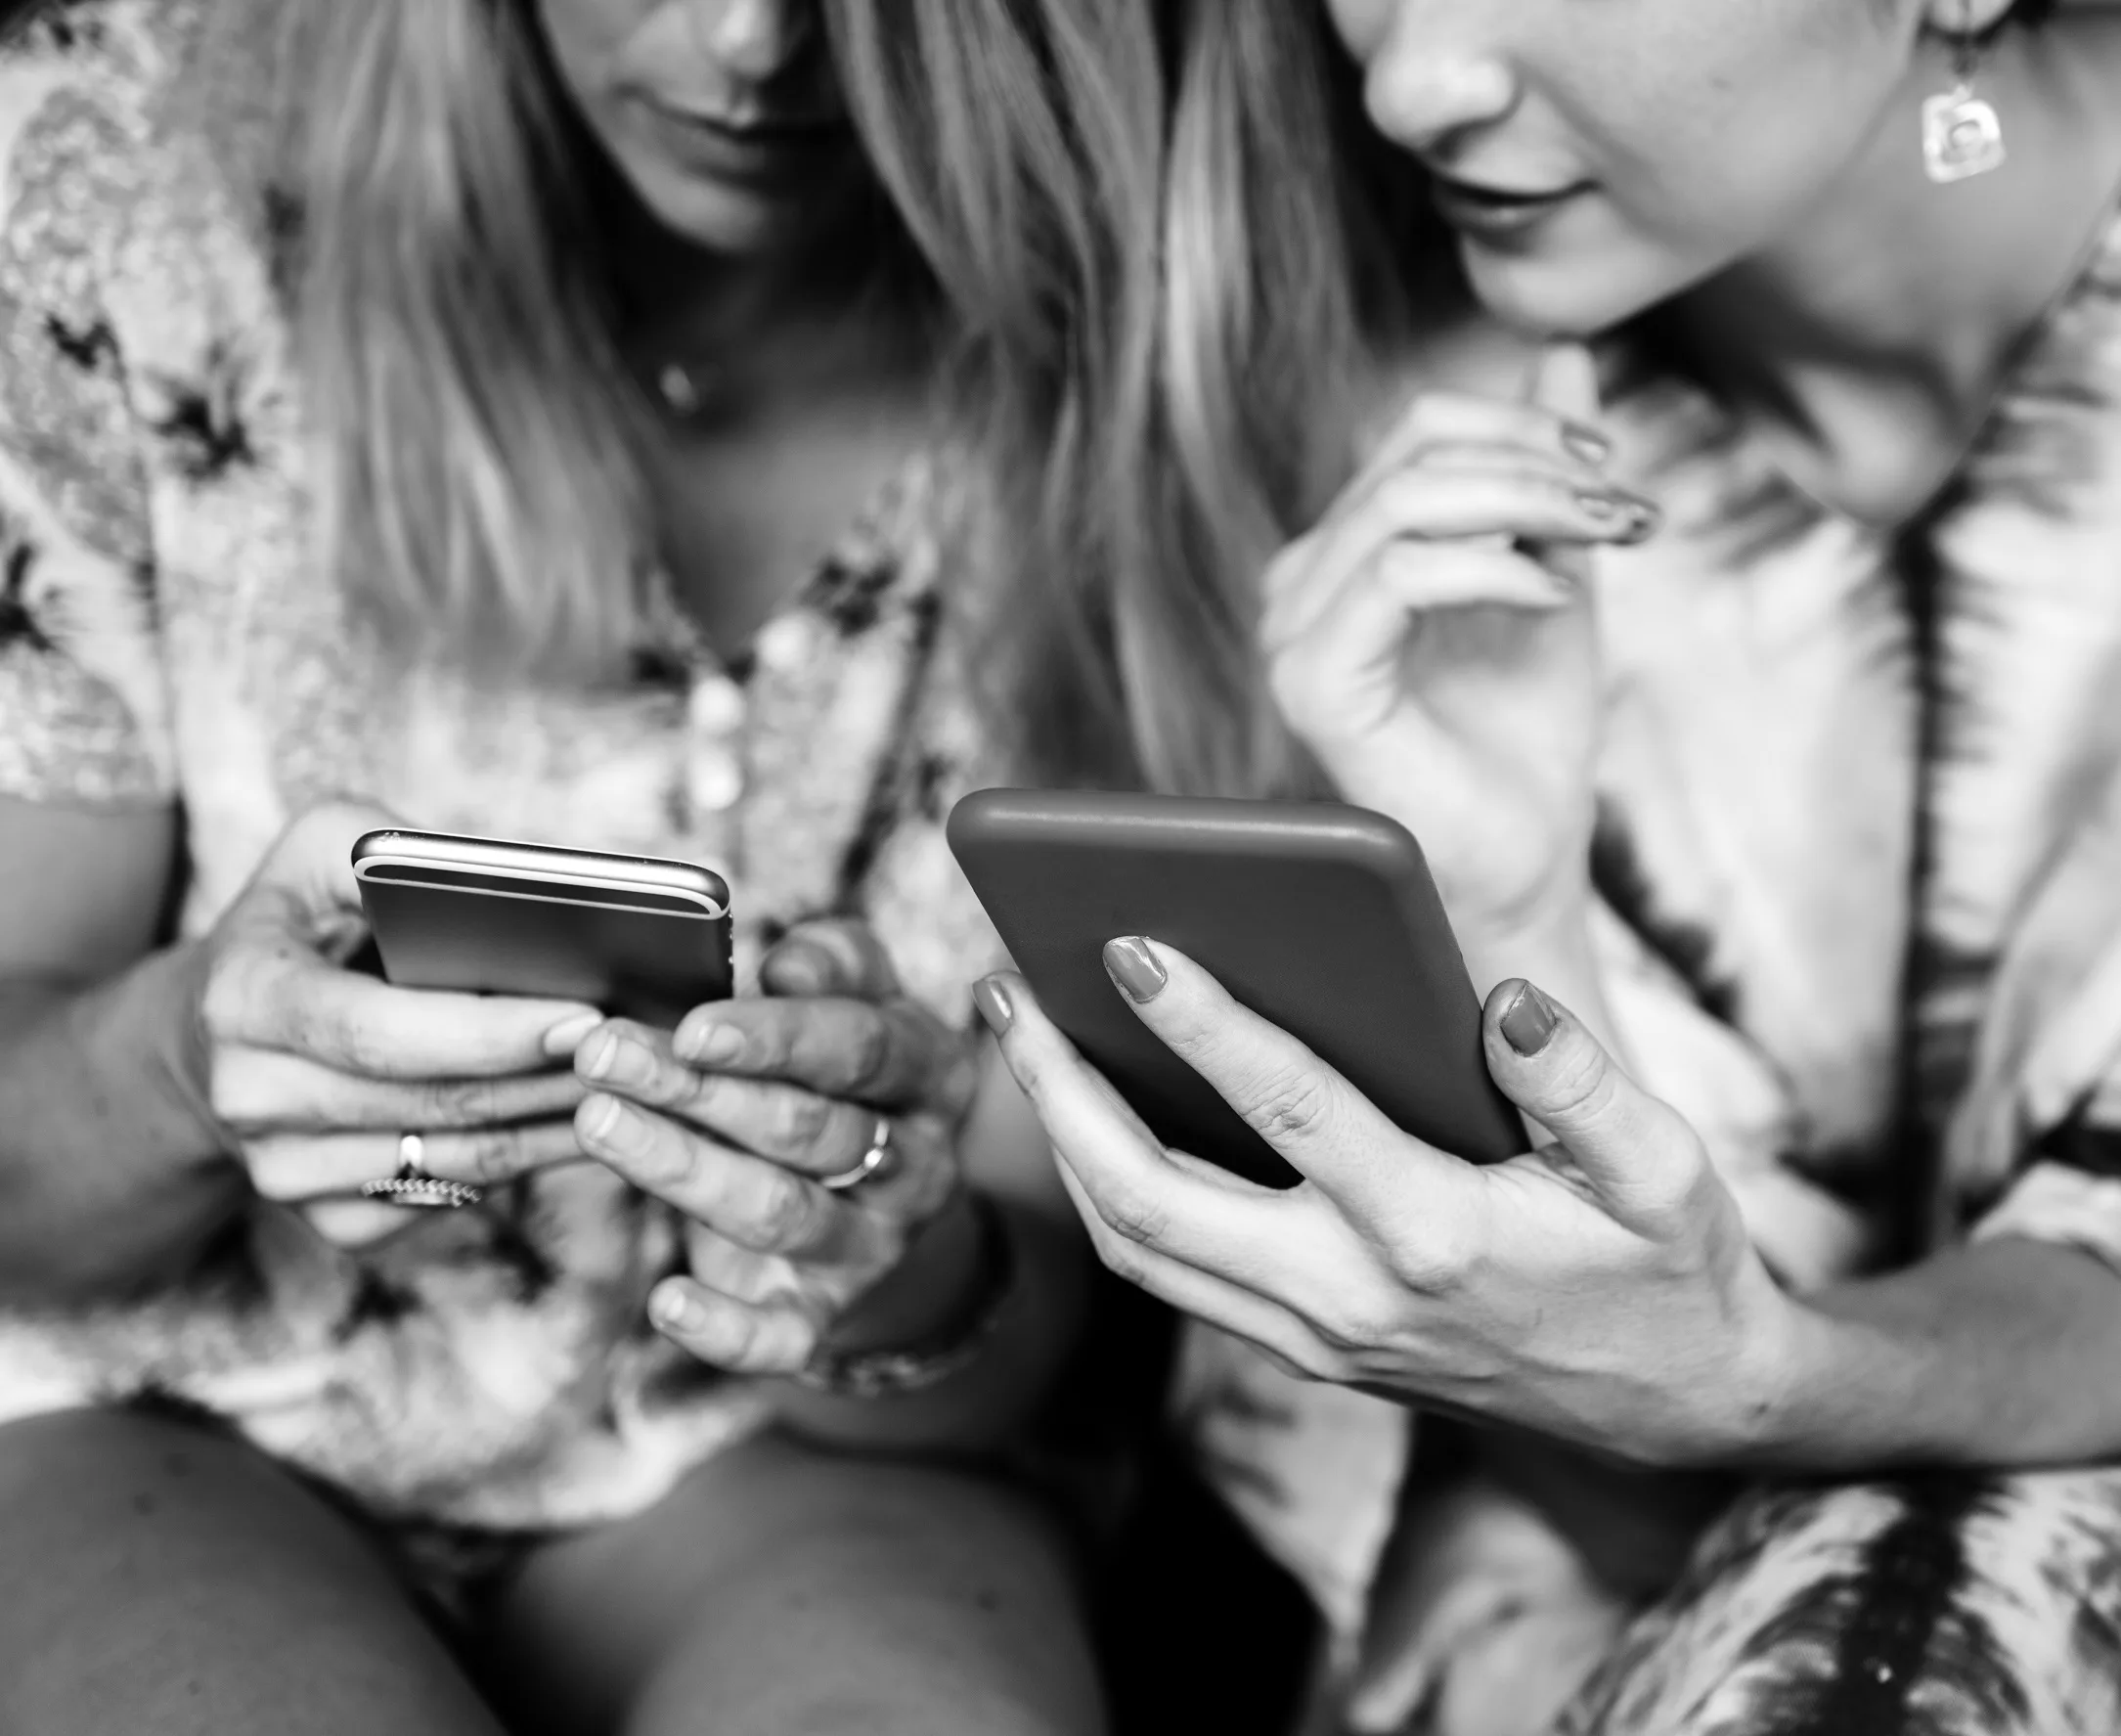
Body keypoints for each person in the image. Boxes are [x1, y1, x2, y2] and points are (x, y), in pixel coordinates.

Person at [0, 0, 1167, 1730]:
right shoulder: (121, 168)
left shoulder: (1139, 351)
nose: (752, 43)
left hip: (773, 1454)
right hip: (146, 1398)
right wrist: (190, 1058)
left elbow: (1008, 1363)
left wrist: (877, 1250)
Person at [979, 0, 2121, 1731]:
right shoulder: (1396, 475)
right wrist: (1512, 917)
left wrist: (1770, 1380)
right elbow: (1613, 1430)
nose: (1408, 78)